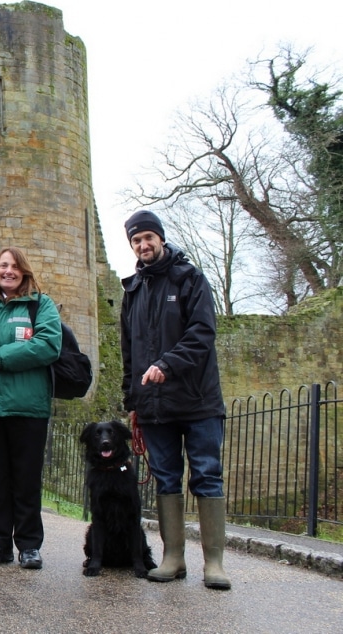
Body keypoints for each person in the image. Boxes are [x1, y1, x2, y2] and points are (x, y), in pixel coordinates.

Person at [121, 210, 231, 590]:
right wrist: (131, 397)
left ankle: (214, 563)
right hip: (153, 406)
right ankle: (173, 558)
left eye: (148, 237)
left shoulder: (190, 278)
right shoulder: (132, 289)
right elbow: (129, 352)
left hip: (198, 401)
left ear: (161, 239)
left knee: (206, 475)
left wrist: (168, 364)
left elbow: (202, 333)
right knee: (166, 478)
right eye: (136, 240)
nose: (143, 245)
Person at [0, 246, 62, 570]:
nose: (8, 271)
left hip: (26, 405)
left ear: (24, 272)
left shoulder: (39, 305)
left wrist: (3, 358)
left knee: (26, 478)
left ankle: (29, 546)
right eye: (3, 265)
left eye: (15, 266)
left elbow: (48, 344)